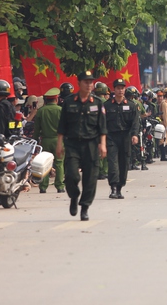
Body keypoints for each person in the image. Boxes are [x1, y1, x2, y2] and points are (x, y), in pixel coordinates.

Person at [56, 71, 107, 221]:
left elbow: (102, 127)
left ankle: (84, 207)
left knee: (90, 178)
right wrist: (59, 144)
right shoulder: (69, 101)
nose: (89, 84)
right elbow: (62, 125)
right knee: (71, 175)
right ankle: (74, 196)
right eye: (86, 82)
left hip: (91, 144)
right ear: (79, 83)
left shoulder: (97, 103)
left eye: (91, 82)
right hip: (72, 144)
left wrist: (102, 144)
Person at [104, 79, 140, 199]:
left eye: (122, 88)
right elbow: (102, 123)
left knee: (124, 163)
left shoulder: (131, 105)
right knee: (113, 163)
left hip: (125, 137)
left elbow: (135, 122)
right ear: (114, 89)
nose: (120, 90)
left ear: (125, 89)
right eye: (118, 88)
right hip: (111, 137)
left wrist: (134, 135)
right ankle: (113, 188)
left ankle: (120, 188)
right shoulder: (107, 105)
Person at [33, 88, 65, 194]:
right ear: (56, 99)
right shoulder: (61, 110)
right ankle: (60, 186)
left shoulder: (41, 111)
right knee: (59, 163)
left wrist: (35, 141)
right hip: (58, 140)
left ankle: (43, 187)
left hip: (45, 140)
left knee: (45, 163)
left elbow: (37, 129)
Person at [93, 82, 111, 180]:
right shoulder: (107, 103)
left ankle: (98, 171)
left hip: (94, 130)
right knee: (105, 151)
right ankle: (104, 171)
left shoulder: (93, 101)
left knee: (96, 151)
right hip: (105, 130)